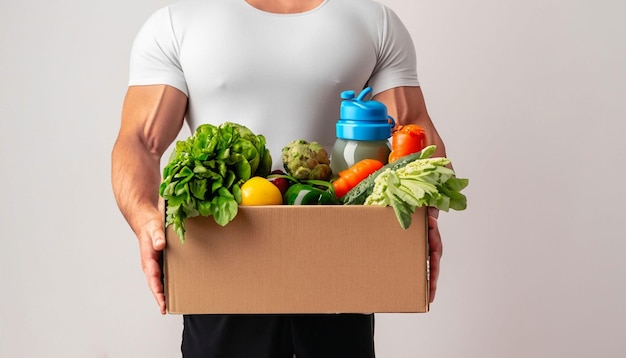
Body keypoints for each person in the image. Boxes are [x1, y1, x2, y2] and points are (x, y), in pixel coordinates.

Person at [111, 0, 446, 356]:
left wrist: (421, 215)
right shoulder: (176, 23)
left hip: (336, 263)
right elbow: (139, 141)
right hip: (222, 261)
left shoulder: (373, 21)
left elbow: (413, 136)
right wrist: (144, 219)